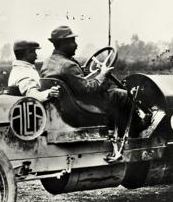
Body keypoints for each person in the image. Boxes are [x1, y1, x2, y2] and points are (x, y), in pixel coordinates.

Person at [40, 26, 146, 162]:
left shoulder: (48, 62)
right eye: (72, 41)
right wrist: (102, 74)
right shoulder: (67, 65)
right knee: (122, 95)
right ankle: (137, 129)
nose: (76, 45)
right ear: (62, 43)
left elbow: (76, 81)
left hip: (64, 106)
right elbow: (88, 90)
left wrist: (86, 72)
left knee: (111, 92)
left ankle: (119, 131)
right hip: (81, 107)